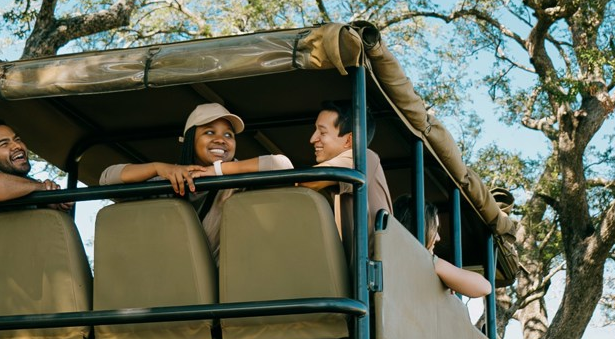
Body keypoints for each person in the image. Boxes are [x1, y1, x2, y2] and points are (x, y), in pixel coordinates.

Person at [98, 102, 291, 257]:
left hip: (230, 279)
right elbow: (107, 179)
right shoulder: (170, 179)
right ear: (190, 140)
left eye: (228, 134)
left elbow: (282, 165)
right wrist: (158, 167)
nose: (221, 139)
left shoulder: (238, 178)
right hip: (173, 275)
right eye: (209, 132)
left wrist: (216, 170)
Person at [0, 121, 66, 302]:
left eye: (17, 139)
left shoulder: (27, 187)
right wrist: (40, 188)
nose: (17, 146)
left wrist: (54, 205)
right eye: (4, 144)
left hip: (36, 298)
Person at [309, 99, 393, 257]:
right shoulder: (340, 180)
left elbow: (309, 181)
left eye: (322, 132)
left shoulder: (363, 157)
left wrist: (274, 164)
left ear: (349, 140)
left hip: (372, 271)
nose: (312, 139)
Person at [394, 198, 492, 300]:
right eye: (434, 230)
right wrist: (449, 277)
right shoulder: (427, 261)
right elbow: (485, 287)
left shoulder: (389, 255)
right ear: (420, 229)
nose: (438, 238)